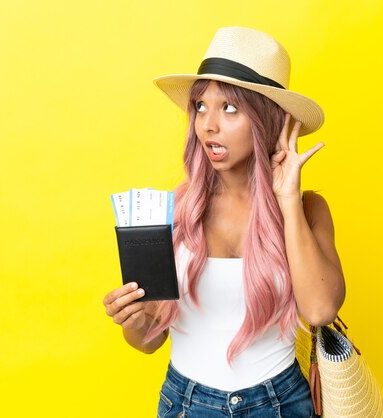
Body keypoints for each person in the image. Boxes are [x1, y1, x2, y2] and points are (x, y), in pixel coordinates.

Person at [103, 27, 345, 417]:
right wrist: (134, 319)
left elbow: (319, 311)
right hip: (185, 403)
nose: (208, 125)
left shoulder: (307, 209)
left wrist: (286, 200)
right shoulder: (174, 212)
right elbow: (148, 342)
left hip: (281, 404)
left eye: (229, 108)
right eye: (201, 106)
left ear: (269, 120)